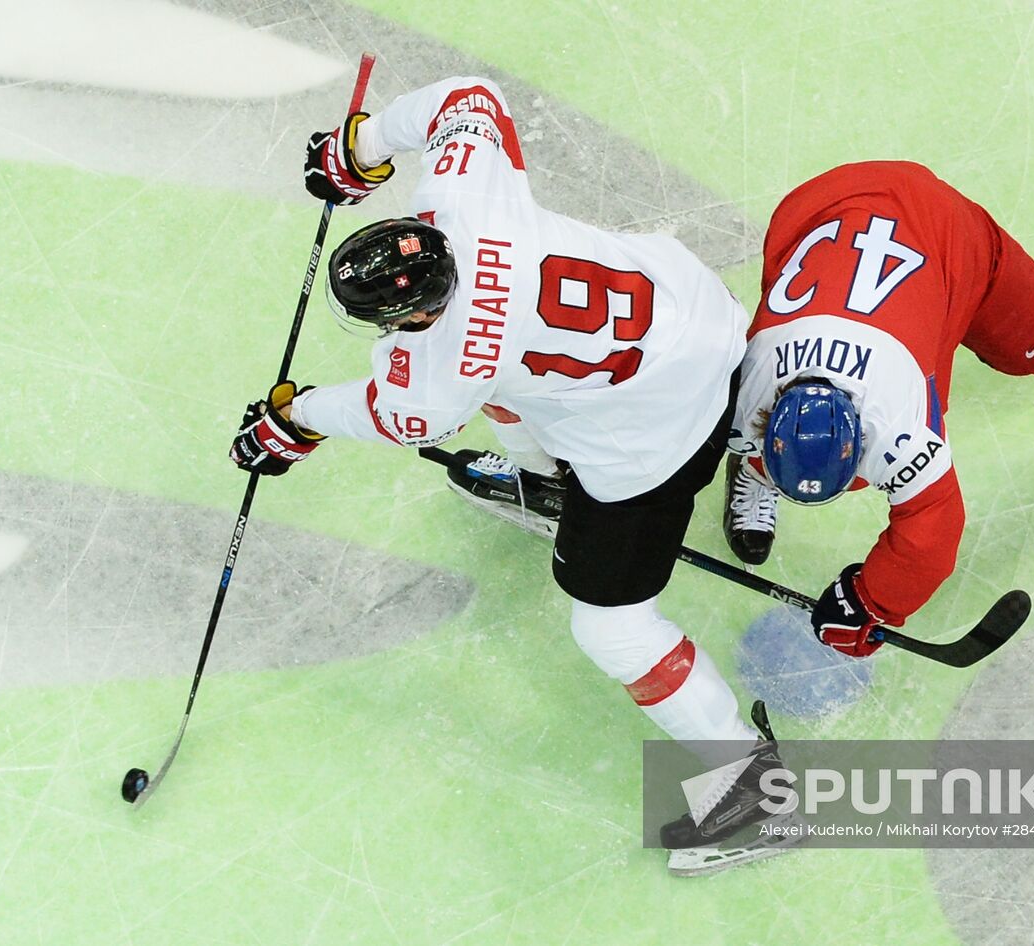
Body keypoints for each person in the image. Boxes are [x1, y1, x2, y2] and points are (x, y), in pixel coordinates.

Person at [227, 76, 794, 872]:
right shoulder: (465, 197)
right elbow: (470, 98)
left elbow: (392, 415)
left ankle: (754, 792)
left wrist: (293, 420)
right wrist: (365, 147)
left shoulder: (445, 368)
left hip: (658, 444)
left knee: (613, 629)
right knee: (519, 397)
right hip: (705, 319)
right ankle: (557, 482)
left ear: (417, 313)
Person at [722, 160, 1034, 658]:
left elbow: (932, 529)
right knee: (747, 439)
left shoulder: (896, 418)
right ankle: (752, 471)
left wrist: (871, 601)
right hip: (823, 207)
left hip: (942, 231)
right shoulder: (738, 384)